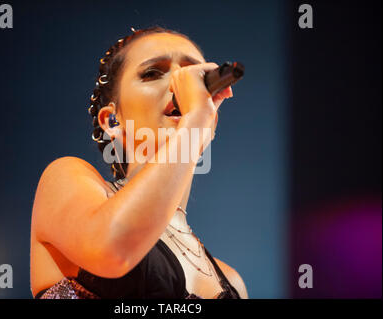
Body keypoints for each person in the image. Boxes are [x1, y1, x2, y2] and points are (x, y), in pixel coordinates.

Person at [30, 26, 248, 299]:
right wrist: (192, 122)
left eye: (192, 74)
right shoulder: (64, 180)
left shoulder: (231, 281)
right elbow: (114, 250)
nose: (179, 85)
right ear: (111, 120)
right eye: (153, 73)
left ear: (212, 122)